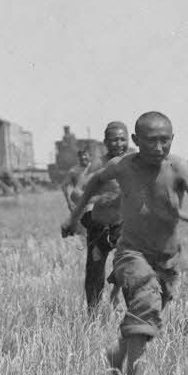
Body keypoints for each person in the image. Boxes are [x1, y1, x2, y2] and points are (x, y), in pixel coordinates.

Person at [61, 112, 188, 375]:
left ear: (173, 139)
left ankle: (118, 353)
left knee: (151, 315)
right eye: (151, 141)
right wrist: (74, 217)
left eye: (164, 141)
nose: (158, 147)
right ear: (136, 140)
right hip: (131, 251)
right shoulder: (122, 166)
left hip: (166, 258)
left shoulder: (179, 168)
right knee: (145, 299)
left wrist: (180, 212)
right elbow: (93, 182)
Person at [78, 122, 130, 313]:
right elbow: (79, 193)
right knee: (94, 270)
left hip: (125, 225)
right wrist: (100, 199)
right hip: (99, 227)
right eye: (114, 140)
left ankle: (127, 308)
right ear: (105, 142)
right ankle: (92, 313)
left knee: (130, 266)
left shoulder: (134, 162)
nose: (119, 143)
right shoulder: (98, 165)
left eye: (122, 139)